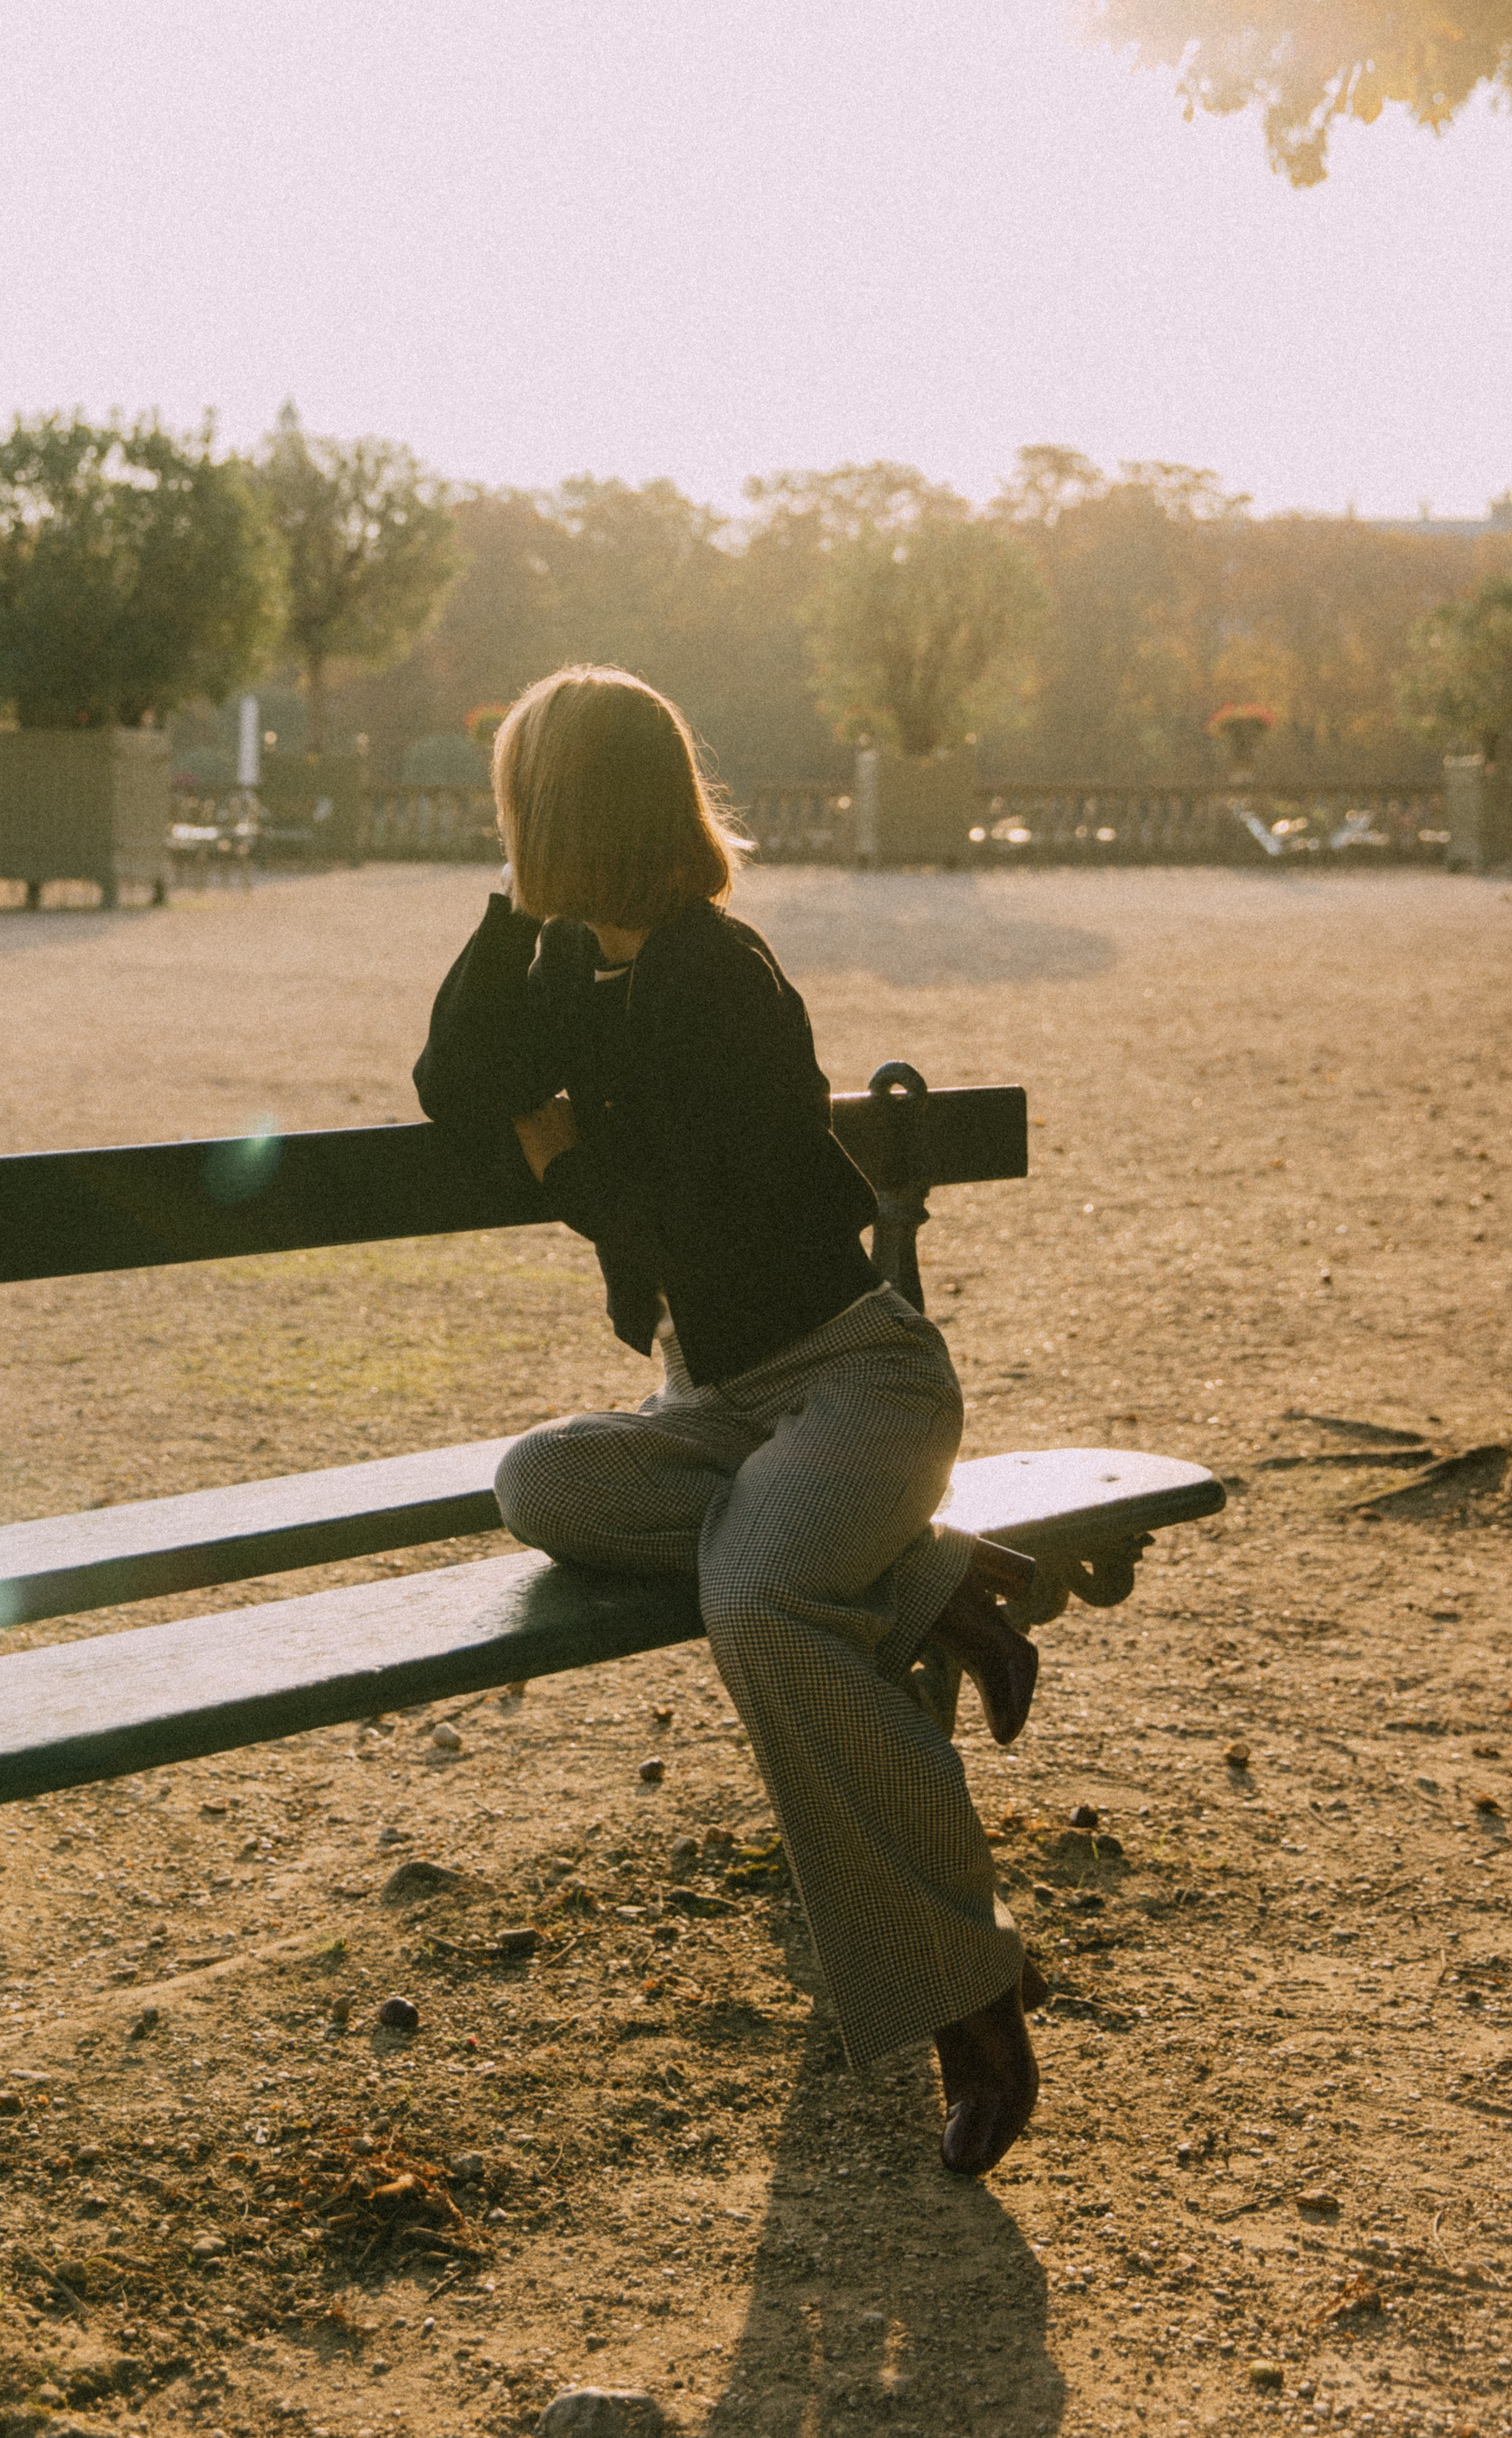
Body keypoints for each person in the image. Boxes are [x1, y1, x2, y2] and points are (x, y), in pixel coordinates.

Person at [412, 664, 1041, 2174]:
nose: (512, 830)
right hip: (716, 1406)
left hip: (852, 1378)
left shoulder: (715, 976)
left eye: (524, 808)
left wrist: (562, 1162)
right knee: (541, 1483)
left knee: (756, 1597)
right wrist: (513, 909)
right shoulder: (579, 964)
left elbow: (684, 1226)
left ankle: (973, 1992)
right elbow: (456, 1080)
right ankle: (935, 1585)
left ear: (572, 810)